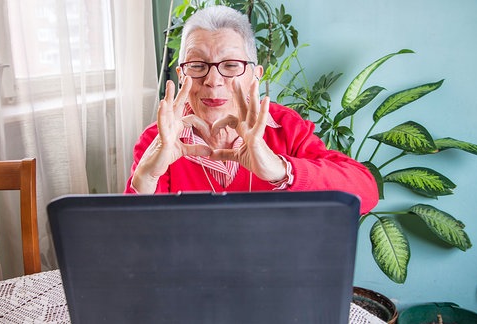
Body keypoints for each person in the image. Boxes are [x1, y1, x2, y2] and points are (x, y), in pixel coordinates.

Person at [124, 5, 378, 214]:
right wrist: (145, 179)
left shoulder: (285, 127)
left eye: (231, 65)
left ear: (254, 76)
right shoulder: (158, 139)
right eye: (198, 65)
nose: (213, 80)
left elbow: (365, 193)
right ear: (182, 75)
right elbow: (134, 245)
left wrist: (279, 169)